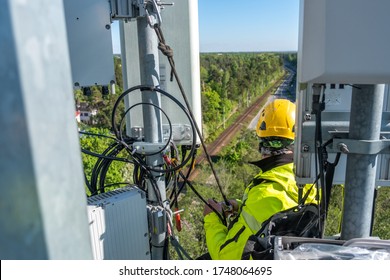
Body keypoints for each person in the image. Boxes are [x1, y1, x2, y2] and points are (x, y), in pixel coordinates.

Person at [202, 98, 318, 260]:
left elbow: (225, 258)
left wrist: (212, 218)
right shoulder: (309, 181)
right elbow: (276, 213)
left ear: (262, 145)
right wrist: (241, 206)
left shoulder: (263, 193)